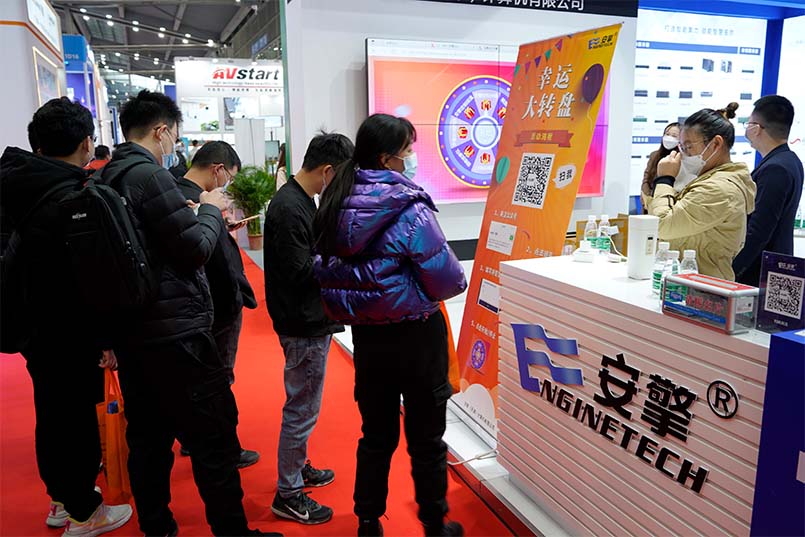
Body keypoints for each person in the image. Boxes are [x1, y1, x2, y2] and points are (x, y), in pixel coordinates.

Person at [99, 90, 277, 537]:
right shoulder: (150, 177)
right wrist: (211, 213)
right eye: (174, 135)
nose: (174, 144)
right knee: (213, 439)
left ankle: (157, 526)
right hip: (178, 334)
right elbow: (194, 249)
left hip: (133, 333)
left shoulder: (106, 178)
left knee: (148, 440)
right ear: (161, 131)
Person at [313, 114, 467, 537]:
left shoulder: (335, 200)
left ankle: (367, 522)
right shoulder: (409, 207)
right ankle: (434, 524)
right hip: (417, 336)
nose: (412, 158)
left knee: (376, 436)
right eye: (408, 150)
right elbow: (448, 279)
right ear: (387, 158)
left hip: (369, 338)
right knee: (427, 439)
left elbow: (325, 271)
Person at [0, 97, 133, 535]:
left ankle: (61, 499)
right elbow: (92, 279)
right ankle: (83, 512)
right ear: (86, 143)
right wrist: (107, 339)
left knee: (53, 414)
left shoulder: (14, 183)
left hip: (29, 324)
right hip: (71, 330)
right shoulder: (75, 196)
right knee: (74, 422)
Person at [264, 132, 354, 525]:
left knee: (304, 405)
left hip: (307, 317)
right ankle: (288, 492)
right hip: (302, 323)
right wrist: (341, 258)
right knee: (302, 408)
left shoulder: (300, 201)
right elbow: (300, 270)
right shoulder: (290, 208)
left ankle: (297, 469)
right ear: (328, 170)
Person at [174, 140, 260, 468]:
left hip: (208, 304)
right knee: (219, 381)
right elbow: (199, 252)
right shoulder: (191, 199)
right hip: (216, 304)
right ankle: (223, 448)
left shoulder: (178, 194)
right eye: (229, 177)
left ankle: (197, 439)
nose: (227, 185)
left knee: (205, 379)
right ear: (218, 169)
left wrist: (221, 227)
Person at [648, 103, 756, 280]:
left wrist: (665, 179)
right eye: (681, 147)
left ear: (716, 144)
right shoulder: (707, 179)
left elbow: (661, 226)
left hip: (705, 285)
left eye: (688, 147)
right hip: (691, 281)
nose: (683, 155)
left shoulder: (719, 189)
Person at [733, 95, 804, 285]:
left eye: (748, 124)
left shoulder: (776, 168)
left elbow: (759, 230)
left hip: (760, 273)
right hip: (773, 267)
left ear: (756, 128)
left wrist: (732, 271)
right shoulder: (790, 161)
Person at [640, 122, 679, 212]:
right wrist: (648, 198)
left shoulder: (680, 159)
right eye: (667, 134)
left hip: (669, 205)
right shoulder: (654, 155)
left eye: (674, 136)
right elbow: (646, 179)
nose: (669, 138)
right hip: (649, 203)